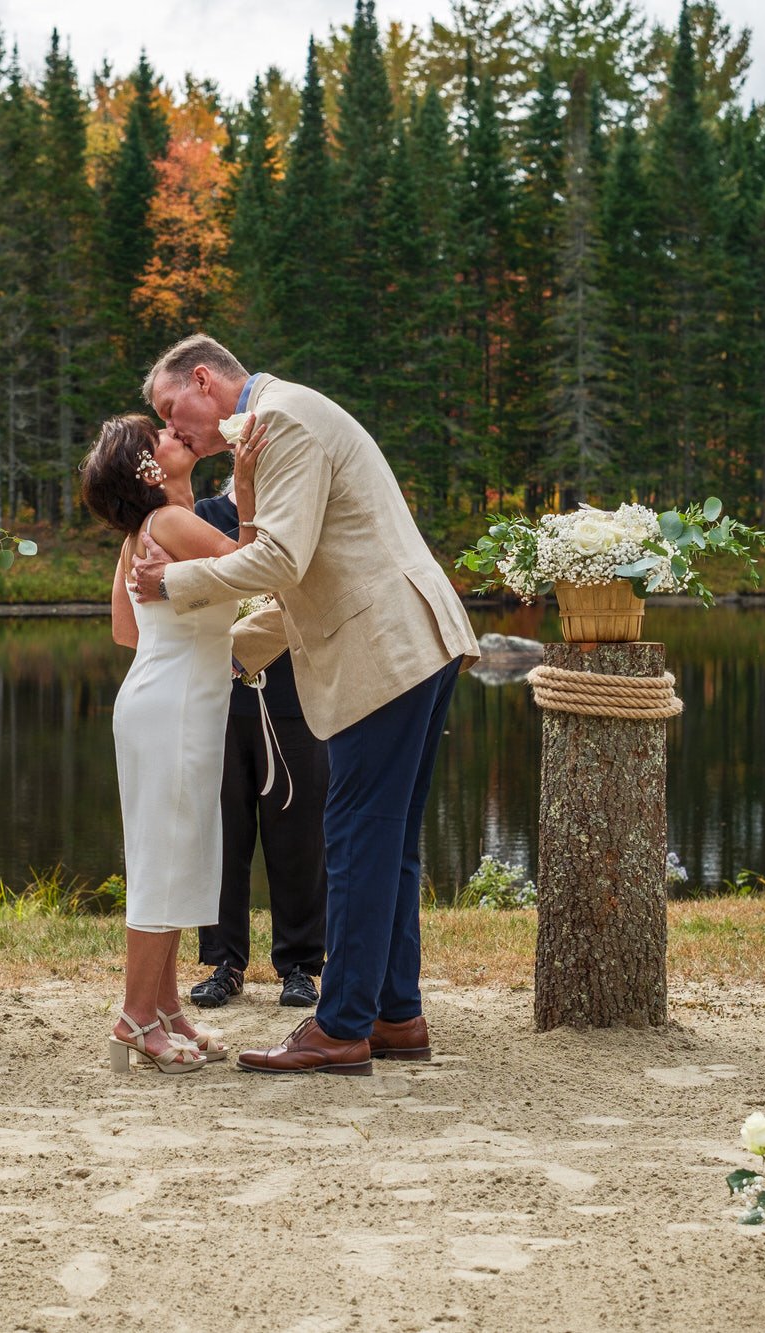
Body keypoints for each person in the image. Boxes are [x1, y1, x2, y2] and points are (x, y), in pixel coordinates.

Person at [129, 334, 479, 1076]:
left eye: (170, 408)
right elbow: (314, 571)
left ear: (203, 379)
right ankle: (395, 1012)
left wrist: (174, 586)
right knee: (390, 844)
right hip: (413, 638)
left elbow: (281, 561)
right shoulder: (291, 415)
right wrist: (229, 651)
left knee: (354, 834)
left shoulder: (282, 420)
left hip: (384, 651)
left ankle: (342, 1025)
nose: (173, 426)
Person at [81, 413, 273, 1073]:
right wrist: (245, 486)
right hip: (177, 706)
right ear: (148, 468)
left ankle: (165, 1010)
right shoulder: (167, 522)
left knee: (173, 853)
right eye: (159, 434)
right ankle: (135, 1017)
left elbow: (126, 631)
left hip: (160, 694)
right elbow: (254, 570)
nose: (176, 430)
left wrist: (190, 626)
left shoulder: (149, 529)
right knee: (166, 858)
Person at [190, 486, 327, 1010]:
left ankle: (300, 966)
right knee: (222, 836)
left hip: (299, 700)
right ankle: (224, 962)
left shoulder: (302, 515)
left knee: (300, 837)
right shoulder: (206, 518)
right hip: (217, 700)